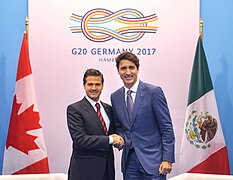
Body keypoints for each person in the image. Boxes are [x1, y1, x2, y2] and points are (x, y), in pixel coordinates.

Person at [111, 52, 175, 180]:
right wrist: (120, 139)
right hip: (129, 163)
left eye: (131, 67)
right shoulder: (115, 96)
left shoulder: (154, 92)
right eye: (123, 68)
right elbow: (120, 126)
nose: (128, 72)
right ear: (118, 71)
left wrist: (167, 159)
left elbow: (166, 127)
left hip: (154, 162)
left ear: (138, 69)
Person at [67, 68, 124, 180]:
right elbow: (80, 139)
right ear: (84, 85)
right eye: (90, 84)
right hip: (84, 172)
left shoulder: (108, 109)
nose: (94, 88)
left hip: (107, 171)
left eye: (97, 84)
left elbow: (114, 133)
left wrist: (120, 141)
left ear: (102, 86)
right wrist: (110, 140)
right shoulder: (74, 109)